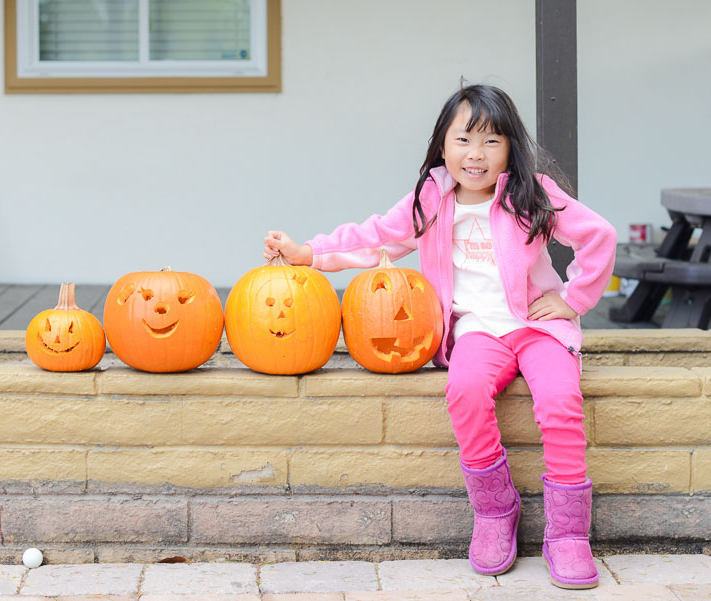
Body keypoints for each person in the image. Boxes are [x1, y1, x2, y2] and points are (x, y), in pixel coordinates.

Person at [263, 84, 616, 590]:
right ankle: (495, 511)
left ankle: (567, 533)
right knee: (464, 392)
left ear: (510, 148)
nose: (476, 155)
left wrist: (574, 299)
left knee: (561, 401)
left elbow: (597, 235)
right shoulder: (431, 199)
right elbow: (377, 236)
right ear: (443, 146)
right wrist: (308, 253)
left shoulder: (530, 192)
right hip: (476, 329)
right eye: (464, 140)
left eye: (492, 142)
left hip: (539, 327)